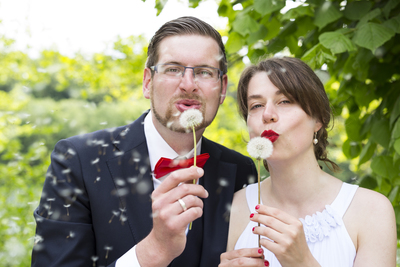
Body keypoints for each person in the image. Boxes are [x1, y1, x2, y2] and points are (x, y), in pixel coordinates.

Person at [31, 16, 257, 267]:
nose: (189, 84)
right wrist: (154, 250)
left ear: (222, 88)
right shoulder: (78, 160)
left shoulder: (242, 171)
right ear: (148, 82)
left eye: (204, 72)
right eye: (173, 69)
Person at [219, 57, 397, 267]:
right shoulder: (231, 207)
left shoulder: (371, 210)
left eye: (284, 101)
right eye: (256, 105)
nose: (267, 115)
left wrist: (303, 262)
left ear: (318, 119)